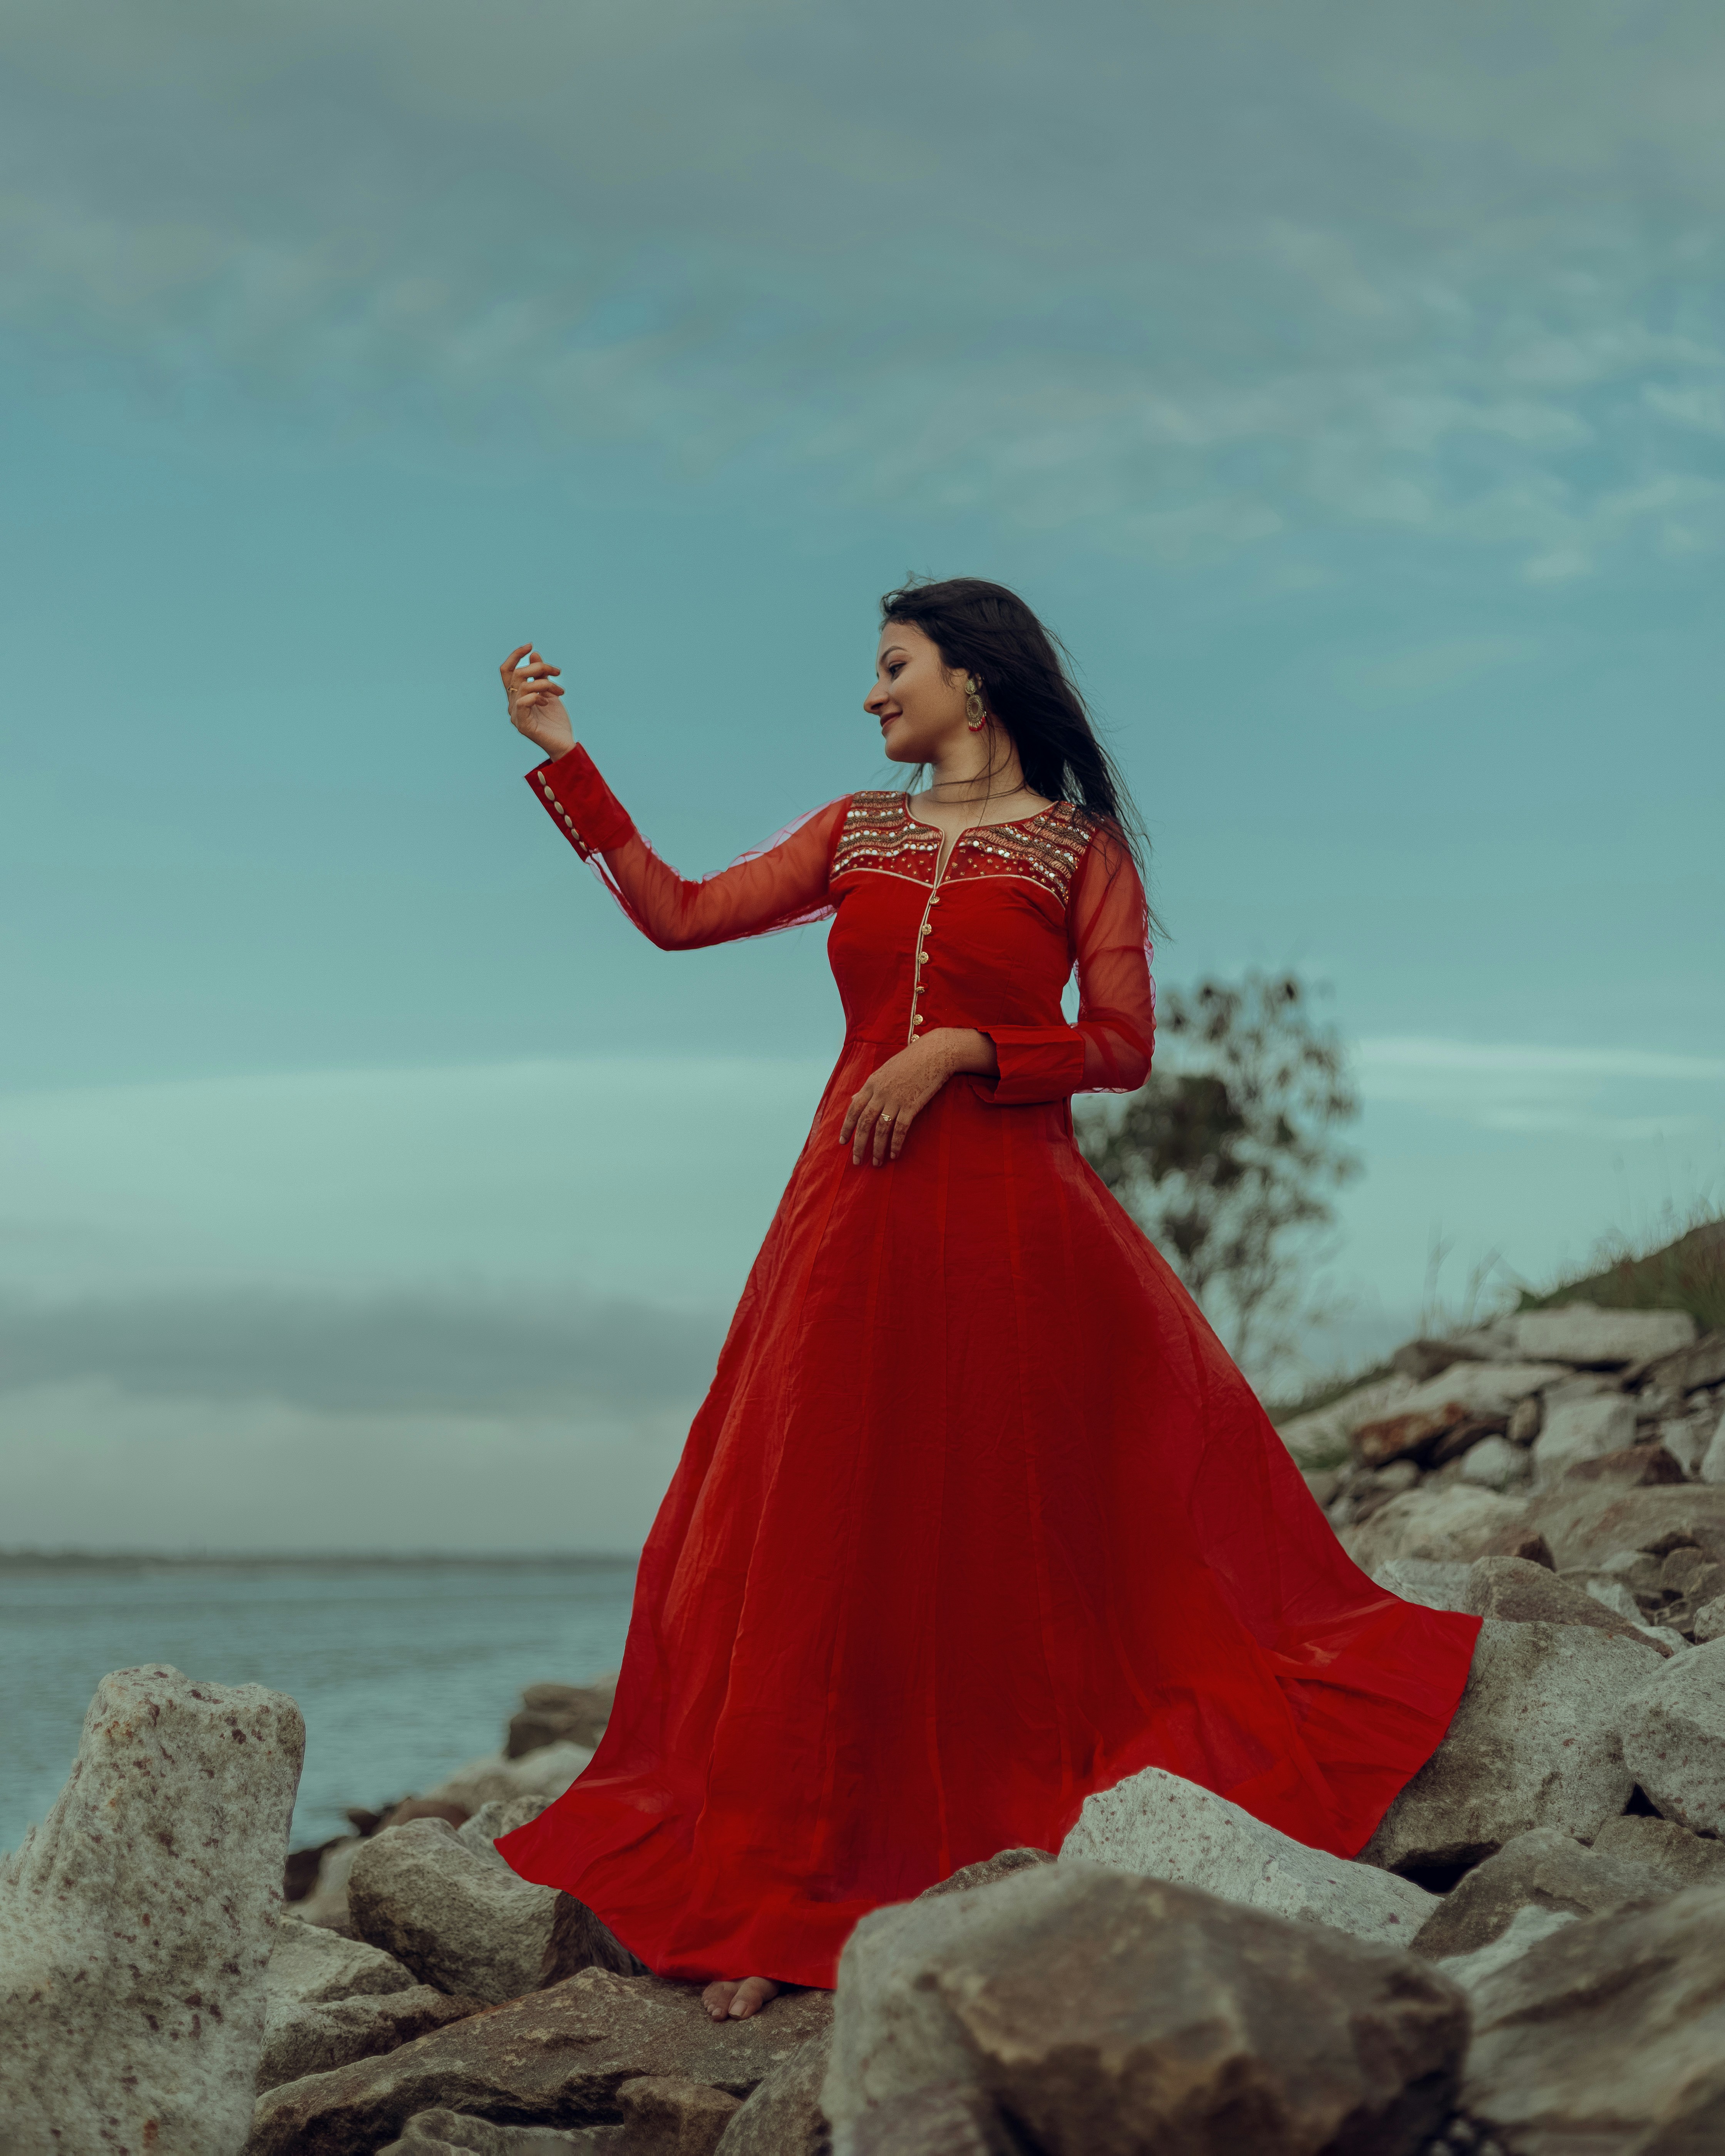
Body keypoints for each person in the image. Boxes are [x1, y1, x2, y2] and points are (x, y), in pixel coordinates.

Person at [493, 577, 1480, 2022]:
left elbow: (1125, 1046)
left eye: (895, 667)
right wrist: (564, 750)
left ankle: (993, 1851)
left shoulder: (1080, 854)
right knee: (822, 1533)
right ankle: (784, 1891)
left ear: (976, 679)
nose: (874, 696)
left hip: (1015, 1231)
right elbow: (680, 914)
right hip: (850, 1223)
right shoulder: (854, 830)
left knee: (1011, 1536)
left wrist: (963, 1046)